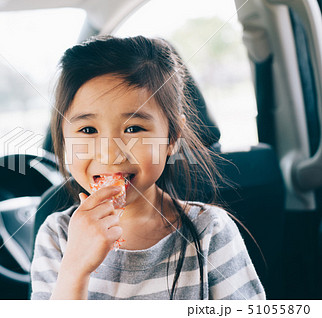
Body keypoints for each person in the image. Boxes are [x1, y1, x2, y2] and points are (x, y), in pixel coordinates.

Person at [30, 35, 266, 300]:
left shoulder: (209, 231)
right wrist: (75, 269)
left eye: (133, 128)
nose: (110, 152)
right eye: (87, 130)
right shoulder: (57, 236)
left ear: (172, 138)